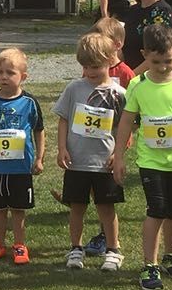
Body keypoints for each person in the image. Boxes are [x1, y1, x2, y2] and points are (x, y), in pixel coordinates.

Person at [114, 24, 172, 290]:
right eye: (156, 62)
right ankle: (150, 265)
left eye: (168, 61)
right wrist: (118, 157)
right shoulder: (137, 85)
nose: (163, 67)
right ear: (145, 56)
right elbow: (126, 123)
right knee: (156, 209)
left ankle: (171, 256)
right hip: (150, 162)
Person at [54, 33, 127, 271]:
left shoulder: (119, 93)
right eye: (85, 67)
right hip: (77, 161)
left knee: (106, 208)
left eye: (95, 66)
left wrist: (119, 154)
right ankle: (76, 248)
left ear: (110, 60)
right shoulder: (74, 88)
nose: (90, 72)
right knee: (77, 207)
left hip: (105, 163)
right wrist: (62, 148)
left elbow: (125, 128)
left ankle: (113, 249)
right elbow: (64, 118)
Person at [0, 48, 46, 265]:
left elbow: (39, 130)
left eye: (10, 73)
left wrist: (39, 158)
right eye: (0, 72)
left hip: (20, 167)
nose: (4, 77)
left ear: (23, 76)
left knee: (17, 209)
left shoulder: (29, 102)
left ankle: (19, 245)